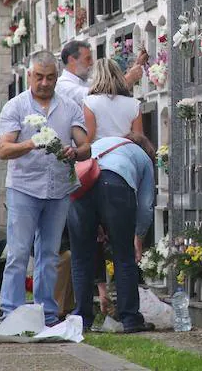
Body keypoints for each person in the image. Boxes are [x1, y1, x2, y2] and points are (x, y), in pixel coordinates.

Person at [0, 51, 91, 326]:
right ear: (29, 76)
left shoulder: (70, 107)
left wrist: (75, 151)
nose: (45, 83)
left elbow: (86, 147)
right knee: (18, 252)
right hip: (24, 187)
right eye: (39, 77)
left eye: (50, 77)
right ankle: (10, 313)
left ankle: (46, 313)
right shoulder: (16, 107)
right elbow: (3, 149)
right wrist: (30, 143)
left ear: (57, 77)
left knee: (49, 254)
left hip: (58, 188)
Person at [68, 131, 155, 332]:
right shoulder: (142, 156)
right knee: (123, 255)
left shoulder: (102, 142)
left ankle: (82, 318)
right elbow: (145, 205)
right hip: (116, 185)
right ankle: (130, 318)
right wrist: (139, 237)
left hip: (81, 186)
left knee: (81, 257)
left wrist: (96, 221)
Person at [82, 59, 143, 143]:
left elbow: (89, 137)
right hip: (125, 151)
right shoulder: (134, 104)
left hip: (99, 152)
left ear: (96, 77)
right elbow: (139, 138)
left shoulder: (89, 102)